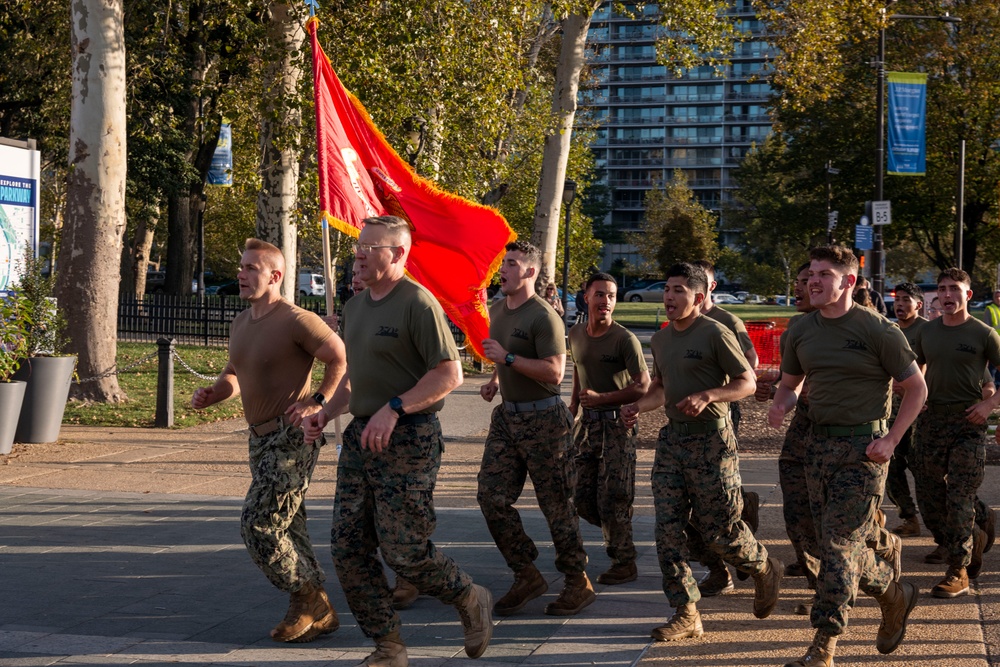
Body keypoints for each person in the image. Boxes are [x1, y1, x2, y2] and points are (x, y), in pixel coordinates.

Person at [302, 216, 493, 666]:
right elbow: (354, 377)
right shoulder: (356, 305)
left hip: (409, 437)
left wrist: (395, 407)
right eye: (359, 245)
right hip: (361, 435)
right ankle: (388, 646)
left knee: (404, 550)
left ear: (399, 254)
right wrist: (325, 412)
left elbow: (450, 373)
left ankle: (469, 596)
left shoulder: (417, 304)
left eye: (371, 246)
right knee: (348, 548)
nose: (360, 253)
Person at [768, 245, 926, 666]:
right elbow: (790, 383)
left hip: (864, 452)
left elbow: (916, 389)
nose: (813, 281)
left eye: (824, 274)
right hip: (816, 448)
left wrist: (891, 440)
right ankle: (893, 593)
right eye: (811, 273)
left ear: (849, 282)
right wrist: (782, 403)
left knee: (838, 546)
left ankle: (824, 645)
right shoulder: (801, 330)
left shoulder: (878, 330)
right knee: (829, 545)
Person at [191, 238, 347, 643]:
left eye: (250, 269)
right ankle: (316, 609)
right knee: (288, 525)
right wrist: (213, 393)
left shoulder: (297, 319)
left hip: (292, 437)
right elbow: (233, 375)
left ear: (275, 276)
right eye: (241, 267)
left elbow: (339, 357)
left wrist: (318, 401)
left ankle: (307, 596)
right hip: (258, 440)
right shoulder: (241, 322)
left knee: (258, 523)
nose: (241, 275)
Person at [622, 262, 782, 642]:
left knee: (720, 532)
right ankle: (686, 612)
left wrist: (709, 394)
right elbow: (660, 387)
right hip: (672, 443)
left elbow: (746, 382)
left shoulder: (715, 333)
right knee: (668, 529)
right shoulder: (661, 340)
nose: (669, 297)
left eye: (678, 290)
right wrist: (638, 407)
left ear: (698, 296)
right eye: (666, 289)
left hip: (712, 442)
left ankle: (763, 567)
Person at [478, 240, 593, 617]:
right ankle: (526, 573)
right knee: (491, 497)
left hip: (545, 422)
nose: (503, 269)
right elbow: (503, 355)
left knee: (556, 506)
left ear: (529, 271)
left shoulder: (544, 316)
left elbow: (554, 372)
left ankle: (577, 581)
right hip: (508, 419)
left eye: (510, 263)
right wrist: (497, 378)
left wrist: (508, 359)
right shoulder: (498, 309)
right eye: (503, 262)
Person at [909, 268, 1000, 599]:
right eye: (942, 289)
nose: (947, 295)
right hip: (932, 422)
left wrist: (989, 407)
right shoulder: (927, 332)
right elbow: (914, 369)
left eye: (954, 290)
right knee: (930, 499)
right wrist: (912, 396)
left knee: (959, 496)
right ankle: (970, 535)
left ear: (967, 295)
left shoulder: (983, 333)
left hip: (968, 423)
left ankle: (958, 569)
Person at [567, 272, 651, 586]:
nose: (606, 301)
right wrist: (573, 406)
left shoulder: (624, 339)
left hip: (618, 425)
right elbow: (578, 368)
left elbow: (642, 386)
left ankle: (624, 561)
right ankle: (618, 536)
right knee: (581, 496)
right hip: (587, 427)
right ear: (586, 297)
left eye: (612, 296)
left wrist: (603, 398)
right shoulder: (575, 333)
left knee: (615, 496)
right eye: (600, 294)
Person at [689, 259, 761, 596]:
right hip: (688, 420)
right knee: (699, 498)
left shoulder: (726, 321)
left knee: (718, 491)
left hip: (722, 413)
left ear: (711, 287)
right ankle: (720, 567)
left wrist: (718, 389)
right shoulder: (682, 321)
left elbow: (752, 363)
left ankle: (743, 528)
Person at [755, 262, 820, 600]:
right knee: (796, 505)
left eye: (807, 281)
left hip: (842, 433)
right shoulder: (796, 326)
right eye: (798, 282)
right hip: (803, 427)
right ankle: (816, 577)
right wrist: (776, 392)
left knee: (833, 513)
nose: (799, 288)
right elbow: (792, 378)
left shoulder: (862, 326)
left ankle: (882, 545)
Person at [886, 282, 927, 538]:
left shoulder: (929, 331)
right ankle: (909, 517)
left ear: (918, 304)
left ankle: (969, 518)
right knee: (891, 465)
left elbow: (935, 365)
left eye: (905, 300)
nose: (899, 304)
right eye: (897, 299)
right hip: (895, 411)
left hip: (923, 412)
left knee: (925, 470)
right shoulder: (890, 331)